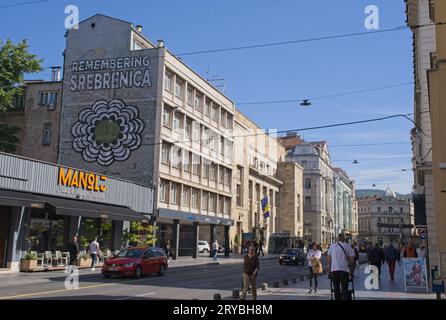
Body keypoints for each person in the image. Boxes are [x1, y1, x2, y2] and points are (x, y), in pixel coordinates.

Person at [326, 234, 355, 300]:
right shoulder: (348, 246)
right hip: (344, 270)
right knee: (344, 288)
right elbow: (352, 260)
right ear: (344, 239)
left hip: (334, 270)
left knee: (336, 289)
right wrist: (351, 271)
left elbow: (328, 260)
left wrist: (328, 271)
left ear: (337, 239)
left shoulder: (332, 246)